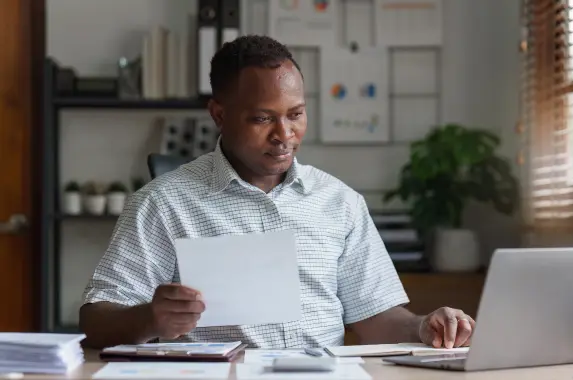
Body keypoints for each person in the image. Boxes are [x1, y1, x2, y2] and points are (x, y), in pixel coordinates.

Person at [79, 35, 475, 349]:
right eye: (263, 118)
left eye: (295, 114)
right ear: (219, 115)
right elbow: (95, 320)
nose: (284, 136)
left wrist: (423, 326)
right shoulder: (162, 204)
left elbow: (376, 318)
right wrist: (151, 318)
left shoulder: (340, 203)